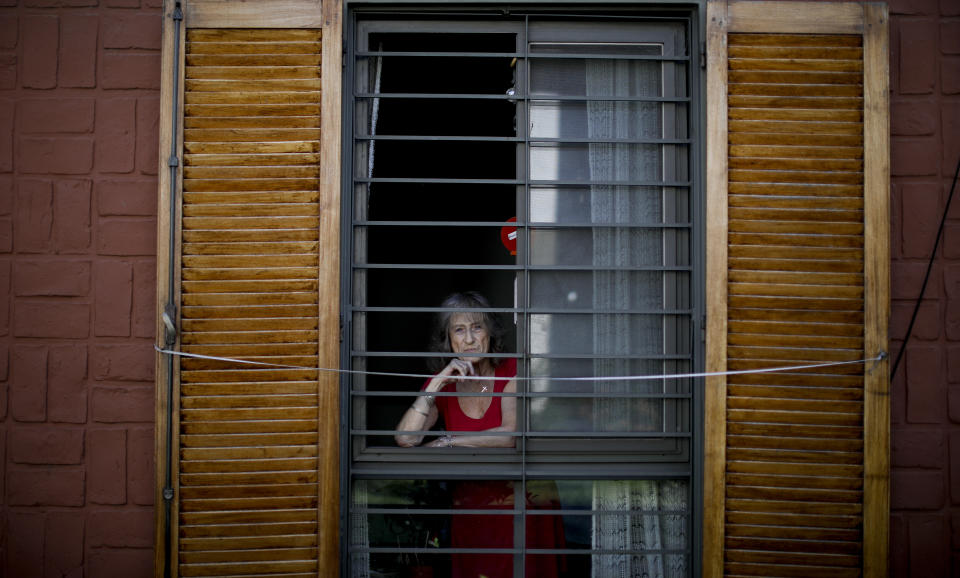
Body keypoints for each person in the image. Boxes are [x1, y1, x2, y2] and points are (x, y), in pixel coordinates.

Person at [395, 292, 564, 578]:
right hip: (472, 508)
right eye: (459, 330)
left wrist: (449, 441)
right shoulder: (446, 383)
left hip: (522, 504)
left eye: (477, 327)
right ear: (447, 340)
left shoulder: (510, 371)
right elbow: (406, 439)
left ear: (490, 332)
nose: (470, 339)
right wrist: (434, 385)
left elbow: (511, 435)